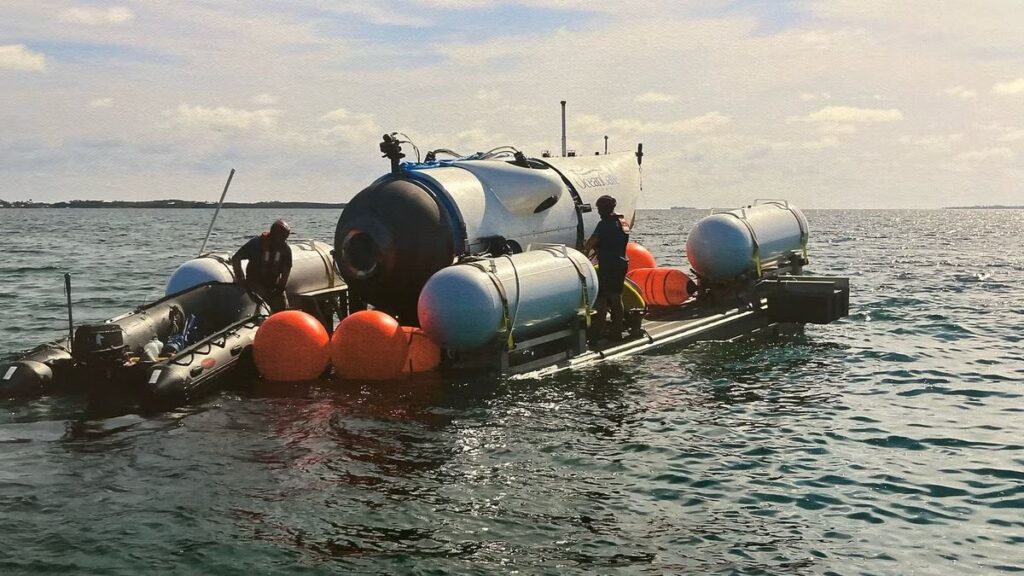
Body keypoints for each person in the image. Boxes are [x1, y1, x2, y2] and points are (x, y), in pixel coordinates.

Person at [584, 195, 630, 343]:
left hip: (609, 266)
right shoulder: (623, 222)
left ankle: (598, 332)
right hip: (621, 263)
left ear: (603, 209)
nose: (598, 212)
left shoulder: (604, 224)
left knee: (601, 298)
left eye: (599, 209)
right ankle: (616, 332)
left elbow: (590, 244)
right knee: (617, 298)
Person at [231, 219, 292, 312]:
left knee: (282, 307)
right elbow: (236, 258)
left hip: (273, 285)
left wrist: (280, 288)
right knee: (263, 303)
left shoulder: (285, 249)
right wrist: (241, 279)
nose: (283, 240)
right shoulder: (256, 244)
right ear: (274, 235)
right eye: (282, 237)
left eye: (285, 238)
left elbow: (286, 271)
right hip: (255, 283)